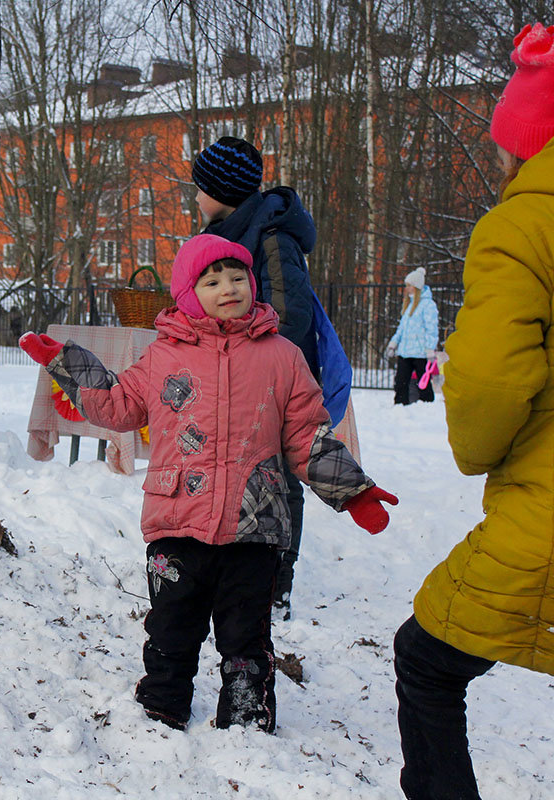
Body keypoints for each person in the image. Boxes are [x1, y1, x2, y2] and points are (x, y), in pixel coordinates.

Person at [19, 234, 397, 732]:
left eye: (237, 277)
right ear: (188, 293)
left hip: (254, 521)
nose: (228, 288)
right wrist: (67, 362)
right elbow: (118, 402)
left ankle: (246, 711)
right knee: (172, 624)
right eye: (212, 280)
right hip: (177, 516)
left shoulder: (282, 356)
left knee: (247, 631)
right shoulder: (162, 356)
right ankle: (163, 700)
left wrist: (352, 491)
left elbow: (306, 434)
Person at [392, 20, 554, 799]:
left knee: (425, 659)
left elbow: (491, 383)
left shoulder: (522, 227)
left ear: (524, 143)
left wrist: (475, 448)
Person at [191, 135, 343, 616]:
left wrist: (246, 351)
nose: (195, 198)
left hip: (277, 379)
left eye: (201, 188)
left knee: (277, 476)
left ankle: (277, 582)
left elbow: (289, 315)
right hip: (237, 375)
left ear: (224, 191)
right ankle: (234, 569)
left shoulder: (272, 236)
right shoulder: (230, 232)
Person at [385, 267, 439, 405]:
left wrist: (429, 348)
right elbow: (401, 329)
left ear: (416, 287)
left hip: (420, 353)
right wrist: (393, 343)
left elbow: (431, 328)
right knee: (400, 382)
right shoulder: (408, 306)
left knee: (423, 383)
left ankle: (427, 407)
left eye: (409, 285)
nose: (407, 288)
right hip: (405, 352)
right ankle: (400, 406)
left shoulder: (428, 305)